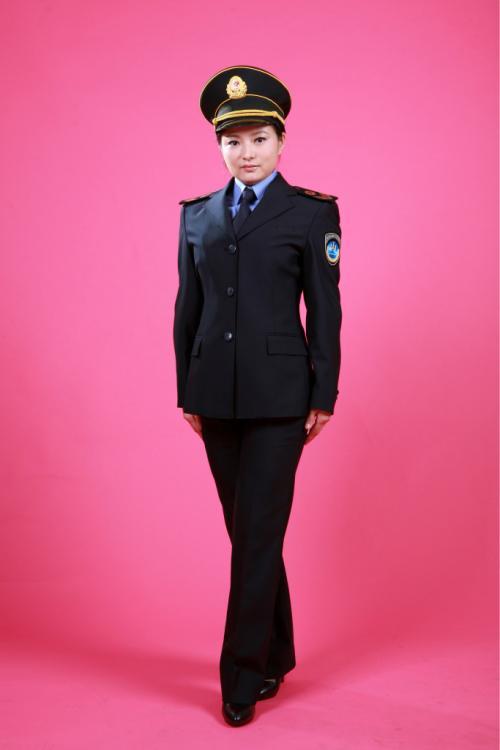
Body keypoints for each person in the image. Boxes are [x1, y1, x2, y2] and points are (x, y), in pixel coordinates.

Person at [173, 65, 342, 726]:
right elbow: (187, 307)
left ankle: (241, 676)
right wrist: (186, 389)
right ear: (219, 145)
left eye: (258, 140)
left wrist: (323, 391)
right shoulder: (197, 216)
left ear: (281, 141)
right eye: (233, 141)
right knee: (248, 533)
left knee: (257, 534)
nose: (246, 153)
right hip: (214, 395)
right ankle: (277, 650)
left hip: (280, 398)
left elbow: (325, 309)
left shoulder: (311, 213)